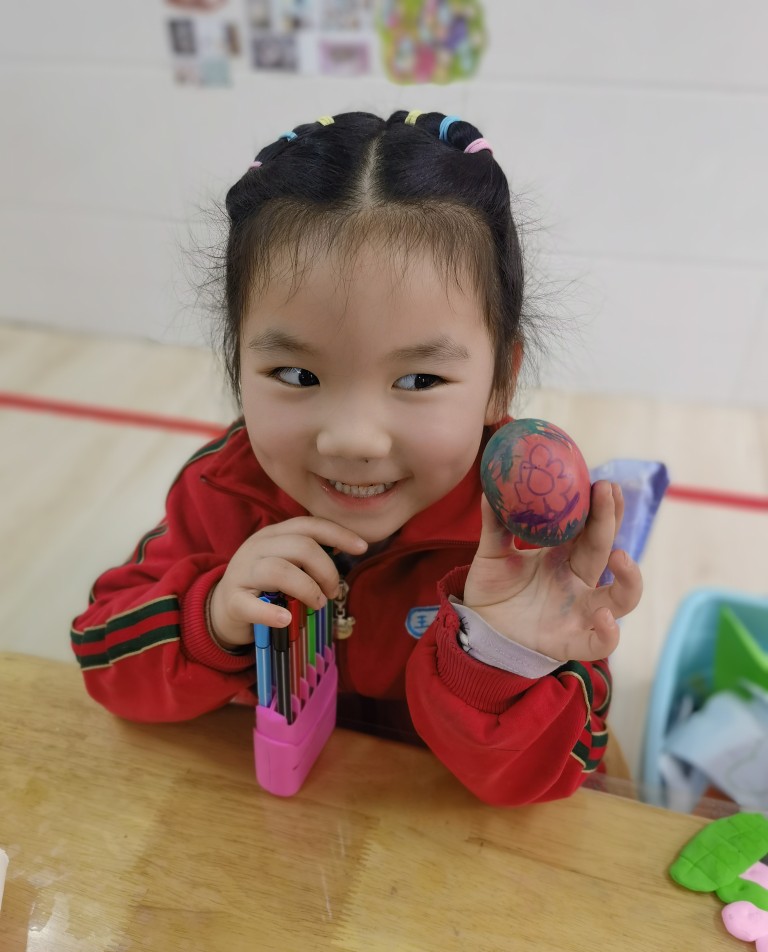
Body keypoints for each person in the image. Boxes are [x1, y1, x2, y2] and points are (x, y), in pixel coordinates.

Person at [70, 110, 642, 805]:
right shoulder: (224, 491)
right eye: (296, 375)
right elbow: (101, 654)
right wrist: (212, 617)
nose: (353, 439)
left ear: (502, 379)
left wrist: (500, 657)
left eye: (419, 380)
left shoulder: (527, 537)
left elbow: (574, 766)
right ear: (237, 362)